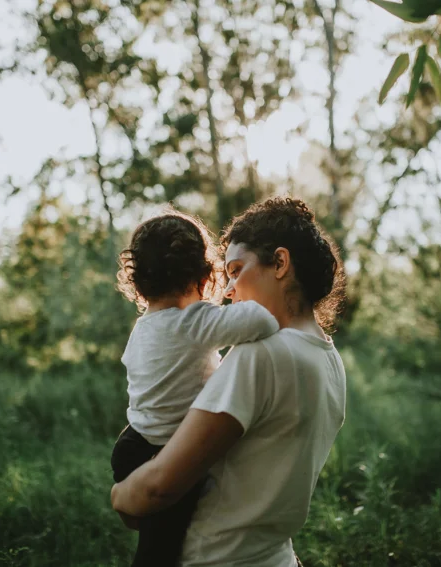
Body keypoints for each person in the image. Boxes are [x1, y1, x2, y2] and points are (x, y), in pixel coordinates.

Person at [111, 197, 347, 567]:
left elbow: (157, 488)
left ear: (280, 263)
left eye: (236, 271)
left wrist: (118, 494)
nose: (229, 289)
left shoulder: (260, 356)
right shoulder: (329, 359)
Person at [111, 210, 281, 567]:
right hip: (162, 452)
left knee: (154, 537)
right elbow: (264, 320)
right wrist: (243, 292)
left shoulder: (144, 328)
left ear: (139, 284)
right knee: (163, 551)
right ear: (206, 278)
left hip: (132, 444)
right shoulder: (194, 322)